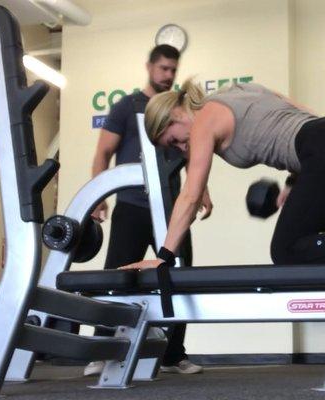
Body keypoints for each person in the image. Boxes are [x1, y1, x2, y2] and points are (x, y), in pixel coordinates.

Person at [123, 79, 325, 388]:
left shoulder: (204, 118)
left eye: (174, 140)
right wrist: (294, 182)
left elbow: (189, 196)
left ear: (175, 116)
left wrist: (163, 257)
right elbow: (302, 115)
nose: (181, 148)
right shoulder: (240, 91)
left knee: (286, 249)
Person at [88, 47, 209, 376]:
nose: (169, 75)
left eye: (173, 70)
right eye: (163, 68)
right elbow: (103, 153)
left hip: (172, 208)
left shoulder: (177, 110)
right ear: (149, 67)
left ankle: (173, 355)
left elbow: (188, 153)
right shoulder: (126, 106)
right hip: (132, 205)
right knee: (116, 278)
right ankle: (100, 350)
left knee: (179, 275)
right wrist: (99, 195)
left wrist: (203, 193)